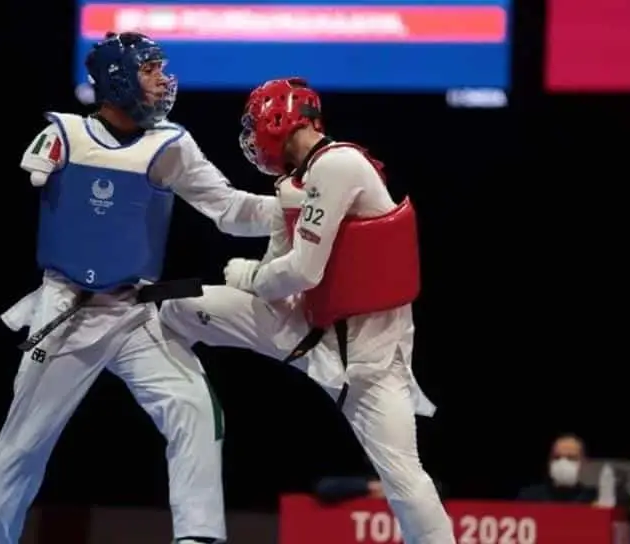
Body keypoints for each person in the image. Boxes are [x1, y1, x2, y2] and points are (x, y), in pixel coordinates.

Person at [0, 32, 277, 544]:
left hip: (134, 310)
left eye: (162, 68)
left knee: (192, 406)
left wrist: (299, 210)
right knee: (20, 449)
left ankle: (198, 537)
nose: (163, 80)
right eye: (150, 69)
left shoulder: (171, 145)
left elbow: (229, 210)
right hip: (65, 310)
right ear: (117, 77)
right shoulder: (62, 135)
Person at [159, 77, 455, 544]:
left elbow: (301, 271)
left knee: (404, 481)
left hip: (368, 363)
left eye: (256, 124)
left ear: (279, 119)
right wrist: (253, 281)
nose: (253, 137)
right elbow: (279, 279)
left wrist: (247, 277)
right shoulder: (296, 184)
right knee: (173, 309)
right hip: (301, 328)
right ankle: (188, 413)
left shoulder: (339, 166)